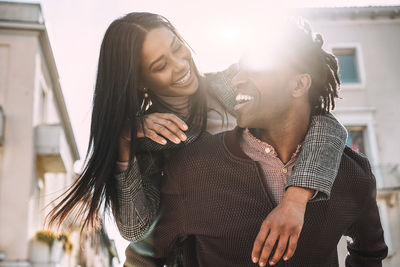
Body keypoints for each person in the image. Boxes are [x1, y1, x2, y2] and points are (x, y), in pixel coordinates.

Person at [47, 13, 347, 266]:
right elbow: (136, 229)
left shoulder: (233, 83)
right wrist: (125, 141)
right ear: (139, 81)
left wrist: (296, 199)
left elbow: (325, 125)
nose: (180, 65)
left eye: (177, 48)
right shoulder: (149, 143)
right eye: (160, 66)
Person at [152, 18, 388, 267]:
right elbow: (145, 258)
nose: (236, 80)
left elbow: (370, 254)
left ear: (298, 84)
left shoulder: (353, 173)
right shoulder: (193, 166)